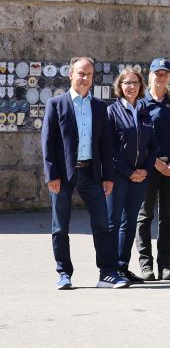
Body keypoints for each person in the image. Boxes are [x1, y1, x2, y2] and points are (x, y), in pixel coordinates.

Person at [43, 56, 127, 289]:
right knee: (60, 226)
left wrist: (108, 177)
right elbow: (48, 143)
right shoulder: (56, 104)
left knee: (103, 223)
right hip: (63, 173)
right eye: (81, 73)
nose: (85, 78)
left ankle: (107, 273)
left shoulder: (100, 107)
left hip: (92, 173)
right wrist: (52, 175)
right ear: (71, 74)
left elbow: (106, 145)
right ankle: (64, 273)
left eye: (89, 74)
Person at [106, 67, 159, 285]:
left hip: (141, 175)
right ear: (119, 86)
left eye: (135, 83)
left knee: (129, 224)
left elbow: (153, 146)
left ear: (141, 87)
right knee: (114, 221)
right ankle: (109, 269)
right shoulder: (112, 111)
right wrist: (129, 172)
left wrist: (145, 169)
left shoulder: (145, 111)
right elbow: (109, 148)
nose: (131, 87)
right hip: (120, 175)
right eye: (127, 83)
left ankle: (123, 267)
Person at [135, 58, 170, 281]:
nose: (160, 77)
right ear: (150, 75)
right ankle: (146, 266)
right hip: (149, 166)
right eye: (157, 73)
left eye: (164, 74)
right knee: (145, 216)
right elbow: (139, 139)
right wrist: (156, 162)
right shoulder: (141, 103)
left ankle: (165, 265)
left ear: (169, 77)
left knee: (167, 217)